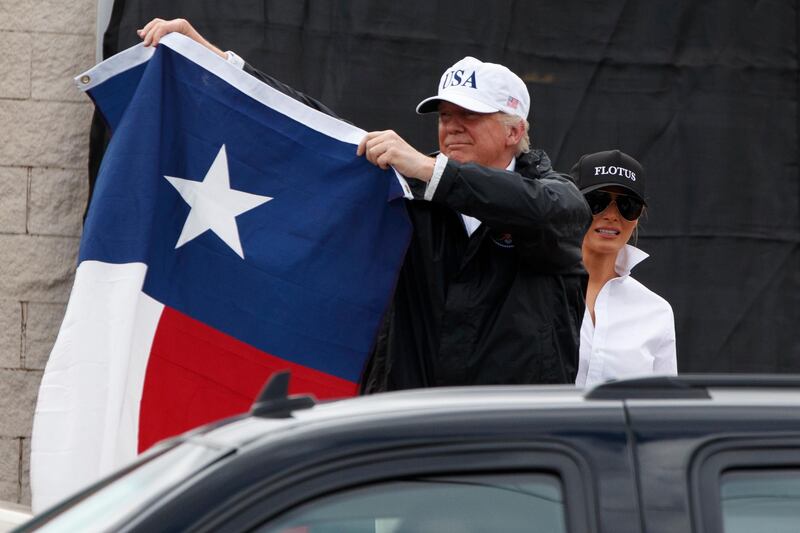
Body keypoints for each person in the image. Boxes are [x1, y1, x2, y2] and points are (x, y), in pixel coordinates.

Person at [138, 19, 592, 391]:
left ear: (514, 131)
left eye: (469, 115)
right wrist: (218, 63)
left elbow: (543, 209)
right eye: (445, 116)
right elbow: (314, 129)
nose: (451, 127)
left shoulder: (554, 198)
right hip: (403, 435)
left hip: (512, 446)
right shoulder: (408, 187)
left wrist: (431, 173)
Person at [570, 150, 677, 388]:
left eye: (627, 205)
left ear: (638, 217)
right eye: (596, 201)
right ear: (572, 205)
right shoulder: (539, 290)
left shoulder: (656, 312)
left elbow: (662, 409)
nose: (611, 215)